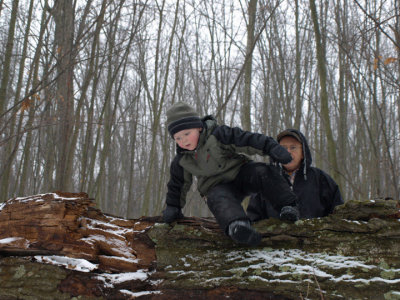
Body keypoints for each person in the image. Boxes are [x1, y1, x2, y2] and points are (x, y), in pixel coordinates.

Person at [162, 102, 300, 246]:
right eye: (177, 138)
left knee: (262, 171)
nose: (183, 140)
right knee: (218, 199)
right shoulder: (182, 160)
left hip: (240, 173)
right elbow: (177, 185)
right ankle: (238, 227)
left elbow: (247, 139)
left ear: (199, 127)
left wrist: (271, 147)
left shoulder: (218, 135)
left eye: (186, 134)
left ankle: (288, 206)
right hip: (215, 187)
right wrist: (173, 207)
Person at [247, 129, 343, 222]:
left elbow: (339, 217)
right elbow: (254, 219)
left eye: (293, 147)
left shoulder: (321, 180)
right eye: (283, 148)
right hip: (276, 237)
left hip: (314, 237)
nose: (287, 152)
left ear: (303, 153)